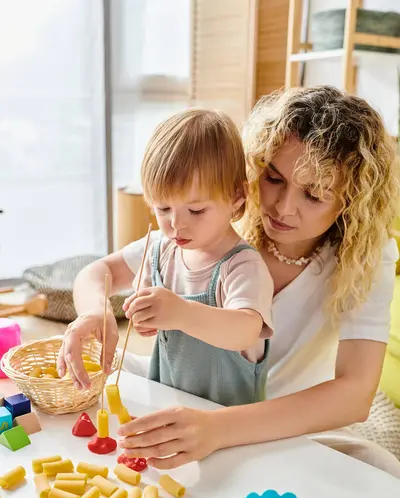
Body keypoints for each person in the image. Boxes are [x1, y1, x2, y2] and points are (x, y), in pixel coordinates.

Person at [58, 85, 400, 475]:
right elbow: (98, 272)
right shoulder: (214, 215)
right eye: (273, 179)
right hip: (188, 392)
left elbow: (353, 396)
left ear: (351, 199)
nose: (283, 208)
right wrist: (93, 313)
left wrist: (219, 428)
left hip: (281, 419)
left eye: (314, 195)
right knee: (82, 375)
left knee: (380, 469)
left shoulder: (367, 254)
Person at [122, 108, 273, 404]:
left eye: (196, 210)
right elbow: (105, 278)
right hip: (169, 411)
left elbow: (246, 330)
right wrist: (144, 314)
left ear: (236, 198)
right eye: (163, 208)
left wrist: (181, 313)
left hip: (229, 431)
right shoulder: (162, 250)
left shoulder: (242, 266)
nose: (176, 224)